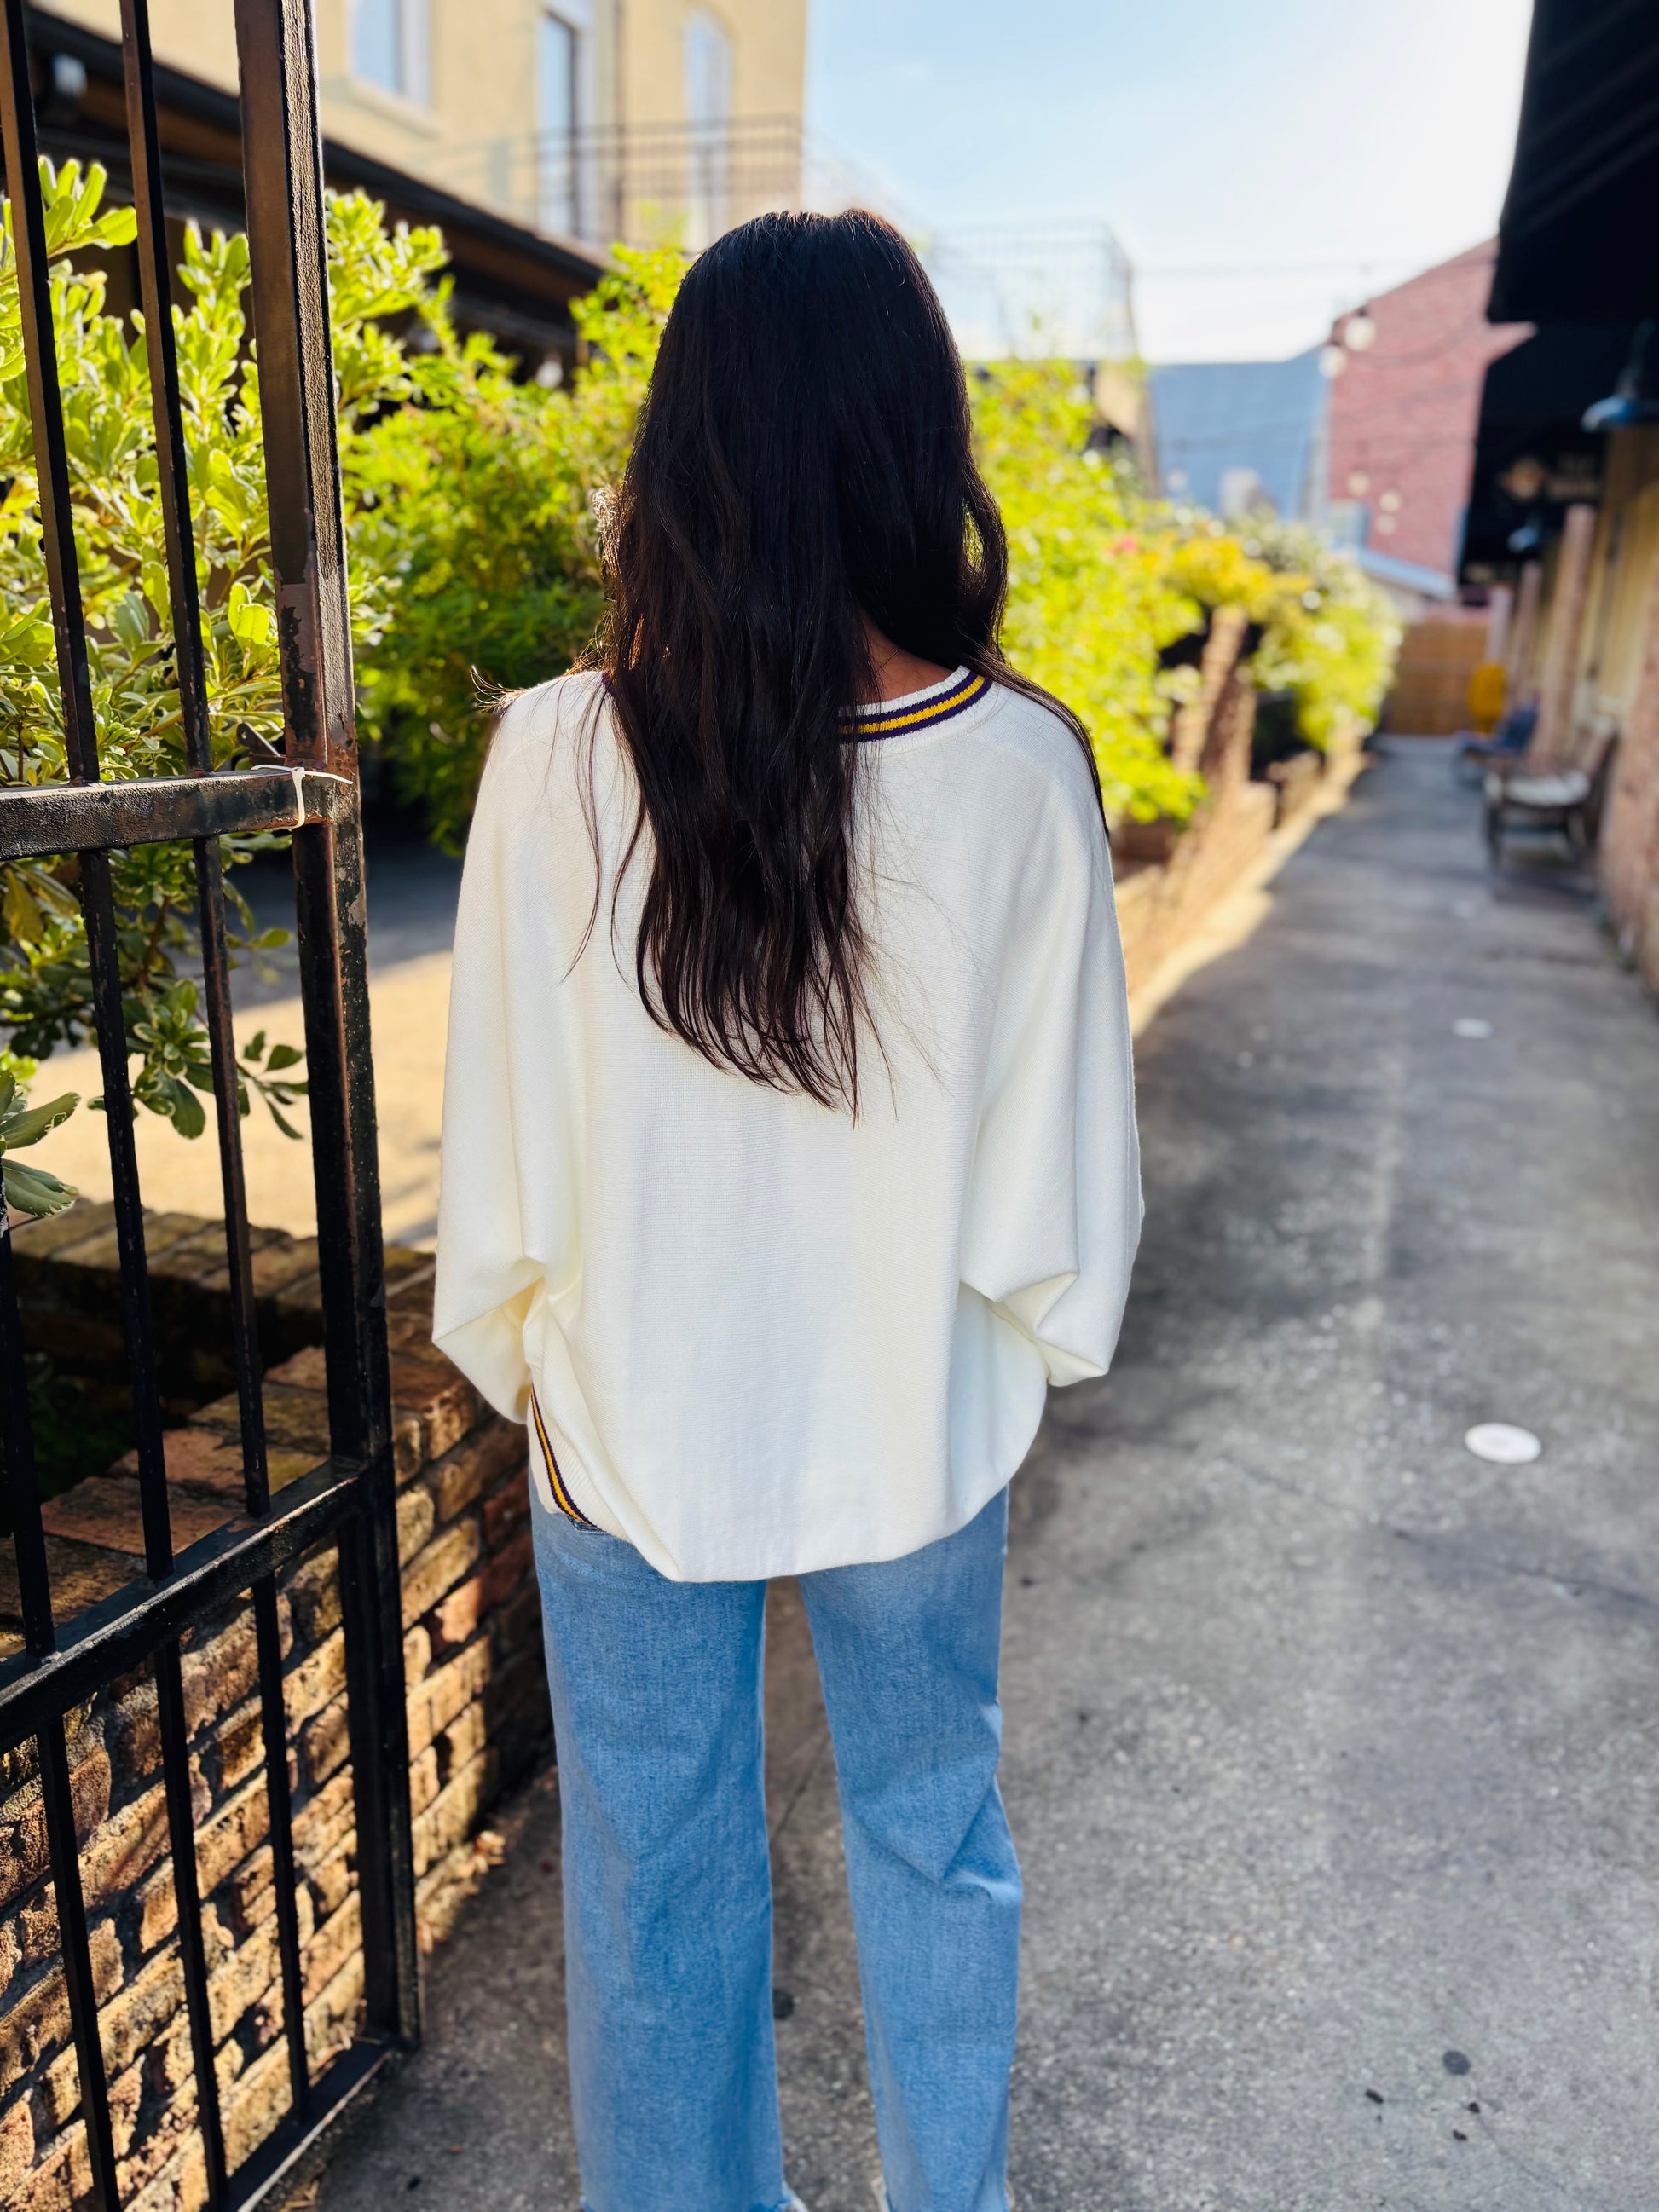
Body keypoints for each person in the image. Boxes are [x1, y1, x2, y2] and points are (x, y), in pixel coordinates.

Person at [433, 208, 1142, 2212]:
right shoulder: (1019, 764)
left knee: (651, 1865)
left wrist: (536, 1358)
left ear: (688, 443)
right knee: (932, 1834)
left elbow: (500, 1155)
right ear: (916, 434)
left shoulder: (551, 755)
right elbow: (1058, 1206)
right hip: (910, 1412)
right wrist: (997, 1334)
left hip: (625, 1420)